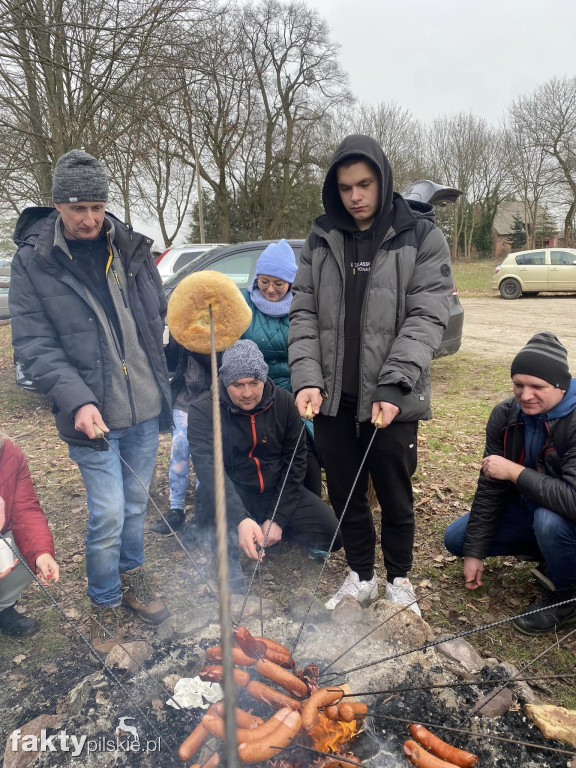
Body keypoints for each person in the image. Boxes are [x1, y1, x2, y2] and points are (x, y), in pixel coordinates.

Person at [9, 150, 172, 659]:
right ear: (58, 204)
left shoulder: (130, 247)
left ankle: (133, 579)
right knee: (107, 511)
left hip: (142, 405)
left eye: (98, 205)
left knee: (137, 505)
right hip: (91, 416)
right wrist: (77, 400)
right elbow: (34, 344)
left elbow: (156, 314)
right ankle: (104, 601)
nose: (89, 218)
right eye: (78, 206)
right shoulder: (34, 260)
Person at [289, 134, 453, 614]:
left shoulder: (421, 236)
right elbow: (302, 315)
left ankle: (400, 580)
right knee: (344, 491)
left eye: (364, 184)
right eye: (345, 187)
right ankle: (360, 574)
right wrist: (307, 378)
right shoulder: (320, 239)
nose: (355, 196)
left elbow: (427, 315)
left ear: (383, 181)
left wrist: (395, 381)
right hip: (332, 399)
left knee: (396, 495)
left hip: (391, 396)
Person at [444, 332, 576, 635]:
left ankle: (564, 596)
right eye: (519, 384)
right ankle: (549, 552)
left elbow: (573, 499)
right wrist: (475, 552)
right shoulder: (505, 415)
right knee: (457, 540)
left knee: (549, 521)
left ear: (561, 386)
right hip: (531, 507)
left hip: (563, 515)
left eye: (537, 387)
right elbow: (491, 487)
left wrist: (515, 472)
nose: (525, 395)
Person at [187, 339, 342, 587]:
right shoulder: (203, 411)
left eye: (253, 383)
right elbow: (209, 470)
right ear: (225, 382)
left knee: (333, 534)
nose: (247, 393)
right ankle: (229, 560)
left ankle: (272, 533)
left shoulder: (284, 403)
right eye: (237, 385)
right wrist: (239, 518)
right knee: (216, 521)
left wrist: (278, 517)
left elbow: (295, 462)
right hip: (234, 491)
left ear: (264, 379)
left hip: (274, 490)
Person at [241, 239, 322, 498]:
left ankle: (309, 504)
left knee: (303, 447)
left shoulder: (304, 306)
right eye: (264, 282)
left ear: (291, 282)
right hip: (256, 392)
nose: (271, 290)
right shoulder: (243, 305)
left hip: (296, 390)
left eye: (279, 283)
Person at [0, 433, 60, 637]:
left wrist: (41, 553)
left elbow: (25, 510)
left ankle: (2, 608)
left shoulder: (9, 454)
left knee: (25, 550)